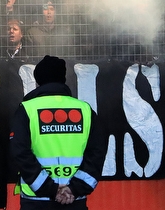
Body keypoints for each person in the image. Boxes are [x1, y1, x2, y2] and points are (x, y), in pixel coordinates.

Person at [9, 55, 106, 209]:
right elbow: (97, 153)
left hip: (36, 200)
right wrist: (74, 189)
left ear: (38, 81)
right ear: (63, 79)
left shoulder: (27, 109)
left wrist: (50, 189)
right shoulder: (85, 110)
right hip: (74, 200)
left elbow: (19, 152)